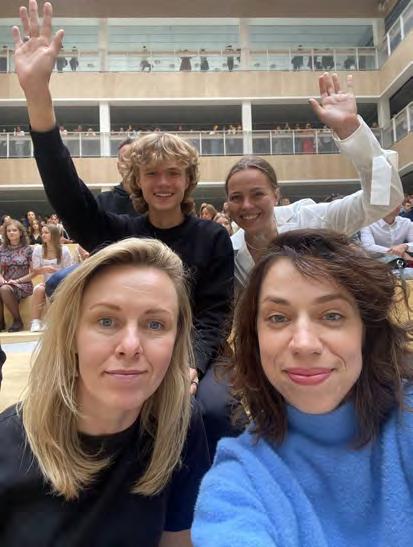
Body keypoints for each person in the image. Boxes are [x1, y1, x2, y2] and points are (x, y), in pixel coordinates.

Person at [12, 0, 234, 457]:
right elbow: (66, 193)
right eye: (152, 174)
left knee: (211, 411)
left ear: (188, 181)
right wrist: (37, 96)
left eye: (173, 173)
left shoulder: (211, 237)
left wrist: (189, 364)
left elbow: (213, 314)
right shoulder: (120, 233)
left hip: (190, 354)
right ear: (137, 182)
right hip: (130, 351)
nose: (163, 183)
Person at [193, 229, 413, 546]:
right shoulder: (238, 479)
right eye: (278, 318)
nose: (304, 344)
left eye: (332, 315)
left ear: (367, 331)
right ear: (255, 339)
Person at [0, 237, 210, 546]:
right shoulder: (7, 446)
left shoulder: (180, 424)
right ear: (71, 335)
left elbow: (178, 539)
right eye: (107, 321)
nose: (130, 346)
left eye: (155, 324)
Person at [227, 73, 403, 288]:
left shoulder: (311, 221)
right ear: (227, 203)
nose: (246, 205)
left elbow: (383, 201)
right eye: (236, 197)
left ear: (275, 195)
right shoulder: (228, 252)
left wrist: (350, 130)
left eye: (257, 194)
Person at [30, 223, 73, 332]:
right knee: (38, 289)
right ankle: (35, 322)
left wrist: (56, 273)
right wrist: (44, 269)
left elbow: (70, 271)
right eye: (42, 233)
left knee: (55, 290)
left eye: (46, 232)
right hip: (46, 282)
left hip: (62, 282)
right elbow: (35, 270)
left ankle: (51, 321)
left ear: (53, 234)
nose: (43, 235)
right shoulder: (38, 249)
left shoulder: (64, 250)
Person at [0, 219, 33, 332]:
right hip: (6, 282)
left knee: (4, 289)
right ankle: (1, 322)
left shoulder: (28, 249)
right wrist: (1, 279)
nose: (11, 233)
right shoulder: (1, 249)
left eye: (14, 230)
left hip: (23, 284)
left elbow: (34, 272)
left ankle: (17, 320)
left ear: (20, 233)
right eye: (8, 231)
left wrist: (17, 281)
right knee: (3, 287)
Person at [96, 137, 138, 216]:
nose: (130, 164)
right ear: (118, 166)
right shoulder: (102, 202)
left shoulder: (151, 200)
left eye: (134, 159)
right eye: (125, 160)